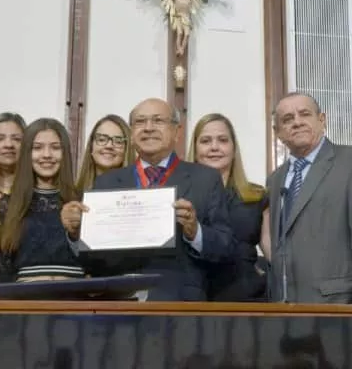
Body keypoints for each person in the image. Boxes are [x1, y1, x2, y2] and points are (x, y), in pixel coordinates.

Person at [60, 98, 236, 301]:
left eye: (158, 120)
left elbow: (226, 249)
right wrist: (76, 234)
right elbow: (91, 263)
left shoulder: (205, 179)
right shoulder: (106, 183)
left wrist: (195, 232)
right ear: (131, 134)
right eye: (140, 121)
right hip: (117, 303)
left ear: (177, 132)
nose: (148, 128)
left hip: (179, 302)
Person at [267, 92, 352, 303]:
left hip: (338, 309)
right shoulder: (275, 179)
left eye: (304, 114)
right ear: (277, 132)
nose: (297, 122)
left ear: (322, 120)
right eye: (287, 119)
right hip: (286, 310)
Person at [187, 113, 268, 301]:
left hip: (247, 299)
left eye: (223, 140)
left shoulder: (257, 195)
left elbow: (273, 253)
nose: (214, 147)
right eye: (206, 141)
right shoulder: (180, 195)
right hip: (194, 299)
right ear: (195, 149)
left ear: (233, 148)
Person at [0, 119, 82, 282]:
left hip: (75, 293)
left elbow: (97, 264)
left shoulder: (82, 202)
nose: (47, 155)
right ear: (26, 154)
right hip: (27, 294)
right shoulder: (8, 205)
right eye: (37, 148)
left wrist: (75, 235)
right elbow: (2, 270)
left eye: (55, 147)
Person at [74, 114, 135, 198]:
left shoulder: (139, 191)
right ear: (91, 146)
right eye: (102, 139)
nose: (109, 146)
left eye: (118, 141)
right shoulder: (71, 195)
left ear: (127, 149)